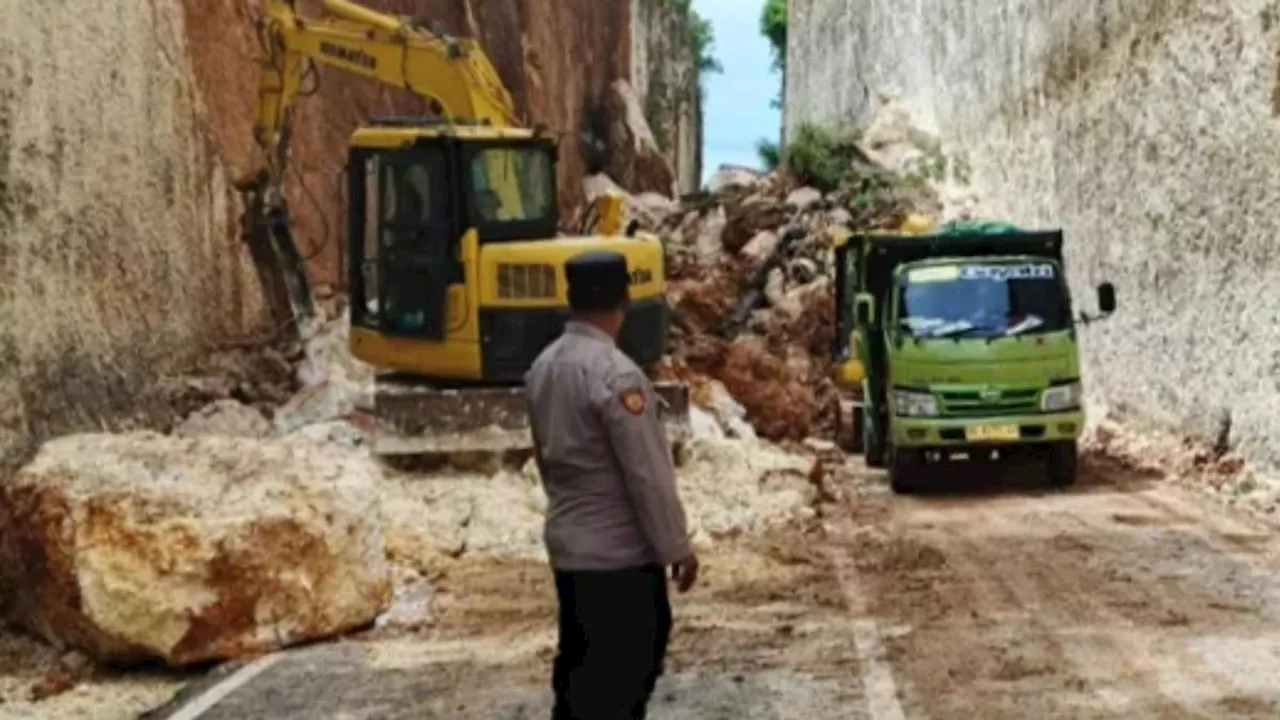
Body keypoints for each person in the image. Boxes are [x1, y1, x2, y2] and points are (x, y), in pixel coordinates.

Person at [524, 249, 699, 720]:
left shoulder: (543, 368)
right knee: (622, 683)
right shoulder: (617, 375)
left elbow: (544, 457)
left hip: (571, 550)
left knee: (579, 677)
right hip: (620, 559)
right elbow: (646, 474)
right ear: (624, 300)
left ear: (570, 298)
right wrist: (676, 547)